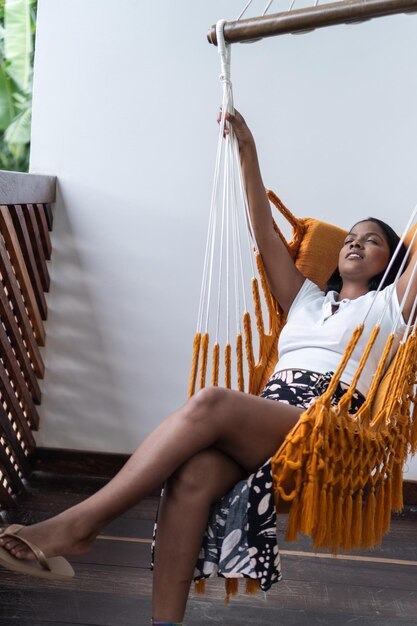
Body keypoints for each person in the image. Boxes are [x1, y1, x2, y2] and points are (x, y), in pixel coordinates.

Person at [0, 110, 415, 626]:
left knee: (212, 401)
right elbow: (261, 226)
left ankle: (82, 523)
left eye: (372, 239)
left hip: (330, 426)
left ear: (392, 261)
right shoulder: (306, 299)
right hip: (271, 416)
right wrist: (247, 147)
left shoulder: (392, 308)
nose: (354, 241)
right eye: (351, 236)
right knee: (192, 475)